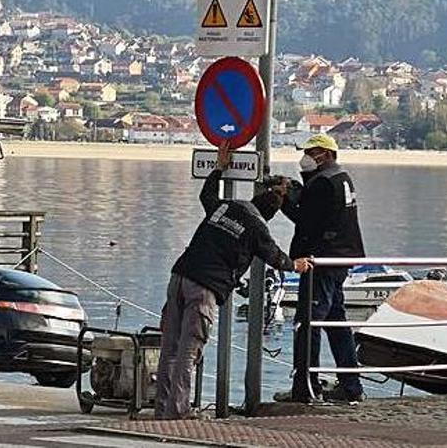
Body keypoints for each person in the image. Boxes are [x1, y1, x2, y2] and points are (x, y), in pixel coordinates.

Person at [156, 143, 311, 420]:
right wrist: (296, 265)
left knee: (170, 346)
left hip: (179, 276)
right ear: (270, 215)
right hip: (204, 288)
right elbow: (276, 257)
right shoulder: (256, 228)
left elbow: (206, 194)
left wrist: (219, 167)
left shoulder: (224, 207)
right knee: (189, 351)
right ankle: (178, 413)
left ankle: (163, 410)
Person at [278, 133, 367, 404]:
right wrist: (298, 190)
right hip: (340, 258)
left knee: (307, 322)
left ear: (326, 154)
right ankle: (351, 386)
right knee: (336, 322)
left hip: (321, 261)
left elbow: (306, 220)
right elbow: (322, 212)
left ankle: (305, 387)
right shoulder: (341, 178)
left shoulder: (323, 183)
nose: (306, 157)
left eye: (311, 151)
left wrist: (283, 201)